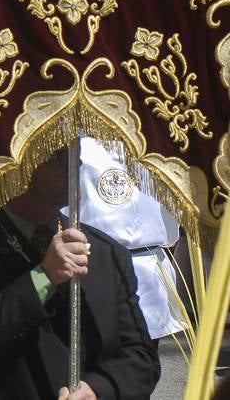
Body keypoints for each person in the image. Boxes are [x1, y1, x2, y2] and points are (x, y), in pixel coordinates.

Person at [0, 150, 160, 400]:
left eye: (76, 156)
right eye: (59, 157)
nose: (73, 166)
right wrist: (44, 276)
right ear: (18, 162)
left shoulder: (107, 253)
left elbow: (142, 357)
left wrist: (97, 389)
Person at [77, 137, 189, 343]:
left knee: (143, 356)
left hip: (148, 266)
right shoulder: (79, 147)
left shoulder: (157, 145)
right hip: (96, 265)